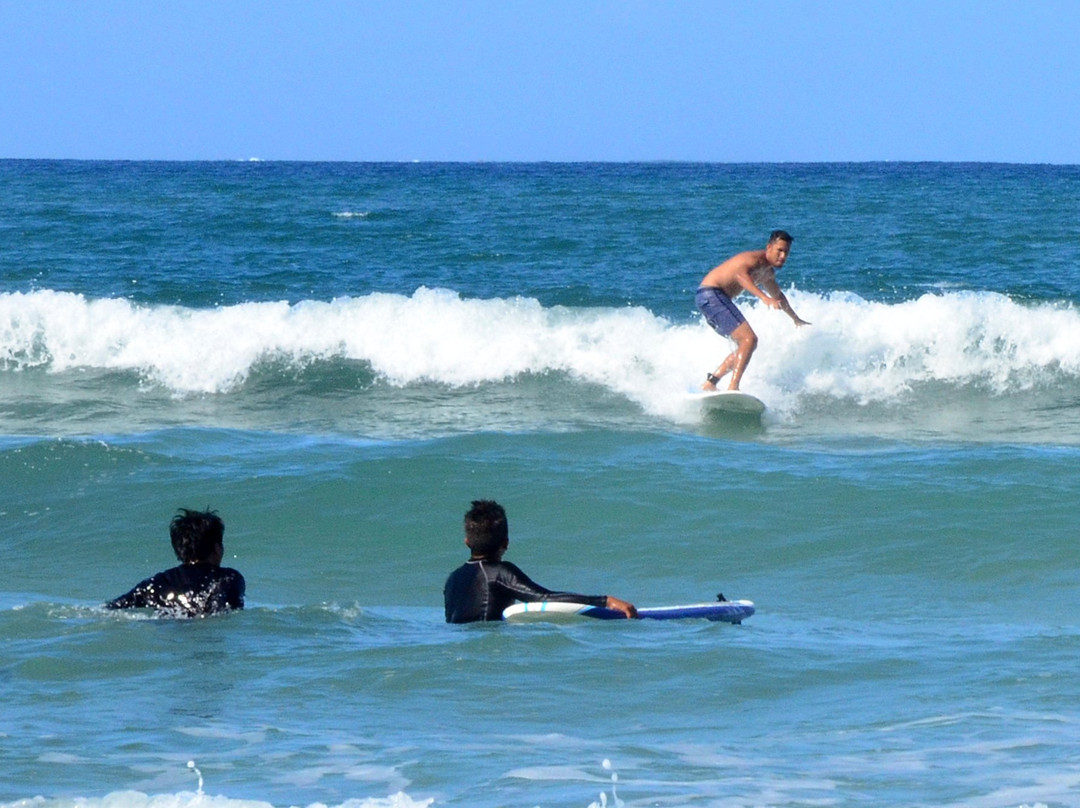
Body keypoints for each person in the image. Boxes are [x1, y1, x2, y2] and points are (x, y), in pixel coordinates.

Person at [443, 500, 637, 624]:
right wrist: (604, 601)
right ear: (506, 543)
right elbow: (543, 598)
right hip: (488, 658)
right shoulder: (499, 572)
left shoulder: (452, 580)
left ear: (467, 541)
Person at [696, 230, 810, 391]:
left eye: (786, 252)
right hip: (711, 294)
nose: (783, 256)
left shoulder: (767, 272)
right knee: (749, 340)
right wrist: (764, 298)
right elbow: (741, 277)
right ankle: (733, 387)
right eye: (780, 250)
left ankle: (710, 383)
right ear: (769, 247)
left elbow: (778, 296)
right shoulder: (754, 260)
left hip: (711, 299)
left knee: (745, 346)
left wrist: (795, 318)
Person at [105, 509, 245, 617]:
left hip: (171, 635)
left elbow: (110, 609)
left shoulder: (156, 583)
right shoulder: (228, 578)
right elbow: (223, 615)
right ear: (217, 548)